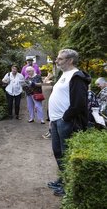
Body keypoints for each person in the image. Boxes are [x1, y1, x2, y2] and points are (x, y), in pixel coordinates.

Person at [47, 49, 91, 197]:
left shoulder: (77, 76)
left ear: (70, 60)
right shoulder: (63, 74)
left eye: (60, 59)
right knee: (58, 152)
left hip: (66, 121)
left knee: (66, 154)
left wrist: (65, 118)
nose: (57, 61)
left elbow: (79, 103)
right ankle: (63, 179)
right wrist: (52, 120)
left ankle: (69, 186)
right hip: (56, 120)